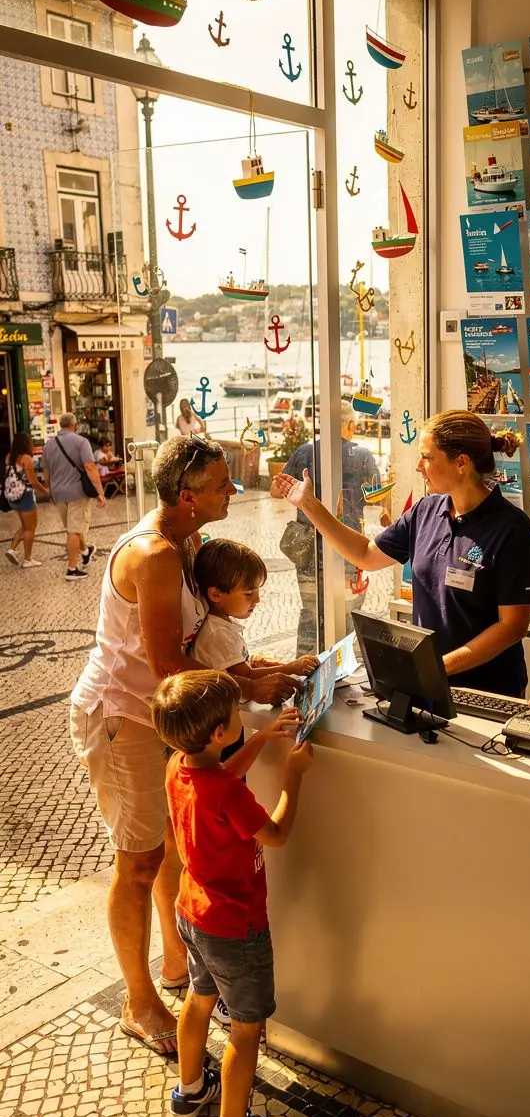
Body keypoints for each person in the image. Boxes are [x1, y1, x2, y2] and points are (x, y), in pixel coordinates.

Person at [71, 433, 298, 1056]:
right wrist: (249, 680)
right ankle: (139, 1000)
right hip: (125, 716)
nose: (236, 490)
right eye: (224, 483)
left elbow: (202, 645)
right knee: (139, 859)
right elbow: (171, 665)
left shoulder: (188, 541)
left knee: (174, 849)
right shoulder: (155, 555)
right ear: (188, 495)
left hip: (164, 717)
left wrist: (255, 670)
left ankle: (178, 965)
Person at [150, 669, 311, 1117]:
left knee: (199, 999)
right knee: (245, 1029)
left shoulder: (179, 766)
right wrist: (294, 776)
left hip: (192, 914)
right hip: (235, 928)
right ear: (219, 732)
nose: (243, 718)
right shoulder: (228, 793)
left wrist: (263, 737)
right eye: (238, 715)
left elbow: (220, 775)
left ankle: (190, 1091)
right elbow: (277, 833)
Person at [275, 410, 530, 696]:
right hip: (427, 684)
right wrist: (310, 506)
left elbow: (512, 627)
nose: (418, 466)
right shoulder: (426, 511)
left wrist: (436, 666)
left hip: (486, 691)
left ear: (461, 463)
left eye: (427, 457)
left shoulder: (513, 529)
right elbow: (365, 554)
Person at [282, 401, 383, 656]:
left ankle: (304, 666)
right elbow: (376, 495)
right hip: (346, 544)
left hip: (307, 545)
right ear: (349, 425)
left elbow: (277, 489)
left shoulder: (304, 451)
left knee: (311, 609)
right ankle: (344, 666)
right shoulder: (362, 455)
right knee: (347, 609)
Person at [192, 537, 319, 684]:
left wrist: (252, 661)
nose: (257, 599)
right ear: (216, 594)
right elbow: (247, 677)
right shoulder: (218, 633)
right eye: (248, 593)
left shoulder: (223, 623)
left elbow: (237, 667)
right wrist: (291, 668)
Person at [42, 412, 106, 580]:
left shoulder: (49, 444)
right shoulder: (81, 442)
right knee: (74, 530)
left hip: (58, 493)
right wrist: (100, 492)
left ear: (60, 425)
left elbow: (46, 471)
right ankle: (71, 569)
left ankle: (85, 551)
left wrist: (49, 489)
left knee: (73, 529)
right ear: (74, 425)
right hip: (77, 492)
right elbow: (90, 467)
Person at [4, 430, 49, 568]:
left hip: (13, 497)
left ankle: (12, 550)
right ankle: (28, 559)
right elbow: (33, 481)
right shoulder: (26, 459)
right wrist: (46, 491)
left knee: (25, 526)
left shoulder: (9, 457)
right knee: (31, 528)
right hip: (25, 497)